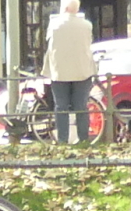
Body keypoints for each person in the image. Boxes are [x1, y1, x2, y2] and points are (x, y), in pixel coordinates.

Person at [44, 0, 95, 144]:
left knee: (61, 106)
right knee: (81, 106)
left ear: (64, 8)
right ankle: (83, 139)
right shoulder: (87, 25)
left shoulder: (54, 25)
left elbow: (49, 43)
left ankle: (62, 140)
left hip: (59, 72)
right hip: (82, 70)